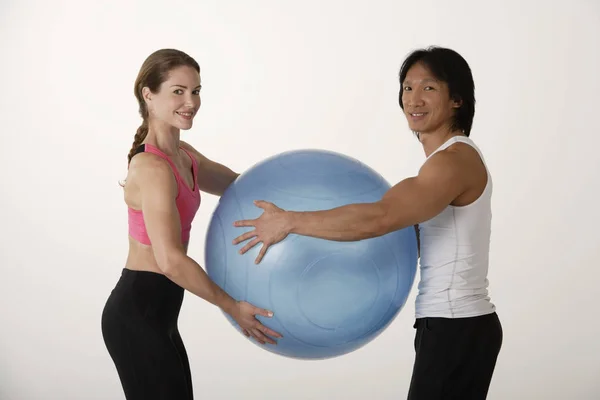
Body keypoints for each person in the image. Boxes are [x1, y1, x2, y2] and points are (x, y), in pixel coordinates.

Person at [231, 46, 503, 399]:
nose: (414, 99)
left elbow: (380, 218)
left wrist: (288, 221)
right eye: (407, 88)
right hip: (454, 326)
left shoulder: (451, 162)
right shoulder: (445, 162)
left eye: (429, 88)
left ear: (457, 100)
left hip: (456, 326)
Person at [101, 48, 282, 400]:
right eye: (178, 91)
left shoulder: (185, 157)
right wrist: (232, 306)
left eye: (196, 91)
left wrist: (296, 211)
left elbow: (239, 186)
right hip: (137, 312)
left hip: (160, 314)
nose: (191, 102)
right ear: (148, 95)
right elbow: (169, 261)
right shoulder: (152, 168)